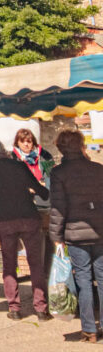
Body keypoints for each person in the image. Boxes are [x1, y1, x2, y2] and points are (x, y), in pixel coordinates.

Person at [0, 138, 50, 321]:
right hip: (28, 217)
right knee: (35, 264)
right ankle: (41, 309)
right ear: (4, 150)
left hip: (5, 221)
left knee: (10, 266)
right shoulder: (18, 165)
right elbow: (41, 191)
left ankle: (15, 309)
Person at [49, 129, 103, 342]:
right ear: (81, 145)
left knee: (83, 279)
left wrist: (56, 235)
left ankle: (89, 329)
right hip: (100, 230)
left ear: (61, 148)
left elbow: (58, 207)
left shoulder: (58, 173)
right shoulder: (98, 169)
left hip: (75, 233)